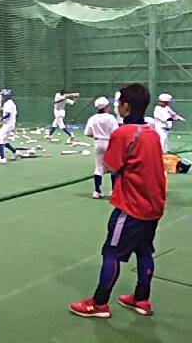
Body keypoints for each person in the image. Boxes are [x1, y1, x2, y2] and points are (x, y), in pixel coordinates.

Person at [70, 83, 166, 318]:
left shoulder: (124, 133)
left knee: (111, 253)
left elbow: (112, 166)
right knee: (144, 252)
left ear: (126, 106)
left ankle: (99, 303)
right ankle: (141, 299)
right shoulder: (152, 132)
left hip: (131, 207)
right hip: (153, 206)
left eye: (120, 102)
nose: (117, 106)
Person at [84, 97, 119, 199]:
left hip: (98, 143)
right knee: (113, 168)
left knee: (99, 168)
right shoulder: (110, 118)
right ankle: (113, 191)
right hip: (109, 142)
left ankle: (97, 191)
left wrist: (97, 135)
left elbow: (88, 133)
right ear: (106, 107)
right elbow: (116, 132)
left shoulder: (92, 118)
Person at [0, 89, 17, 164]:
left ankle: (2, 158)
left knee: (0, 139)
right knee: (4, 140)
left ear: (6, 96)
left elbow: (8, 114)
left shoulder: (8, 104)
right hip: (11, 124)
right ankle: (14, 152)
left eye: (3, 95)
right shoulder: (11, 103)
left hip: (8, 124)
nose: (2, 97)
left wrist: (0, 120)